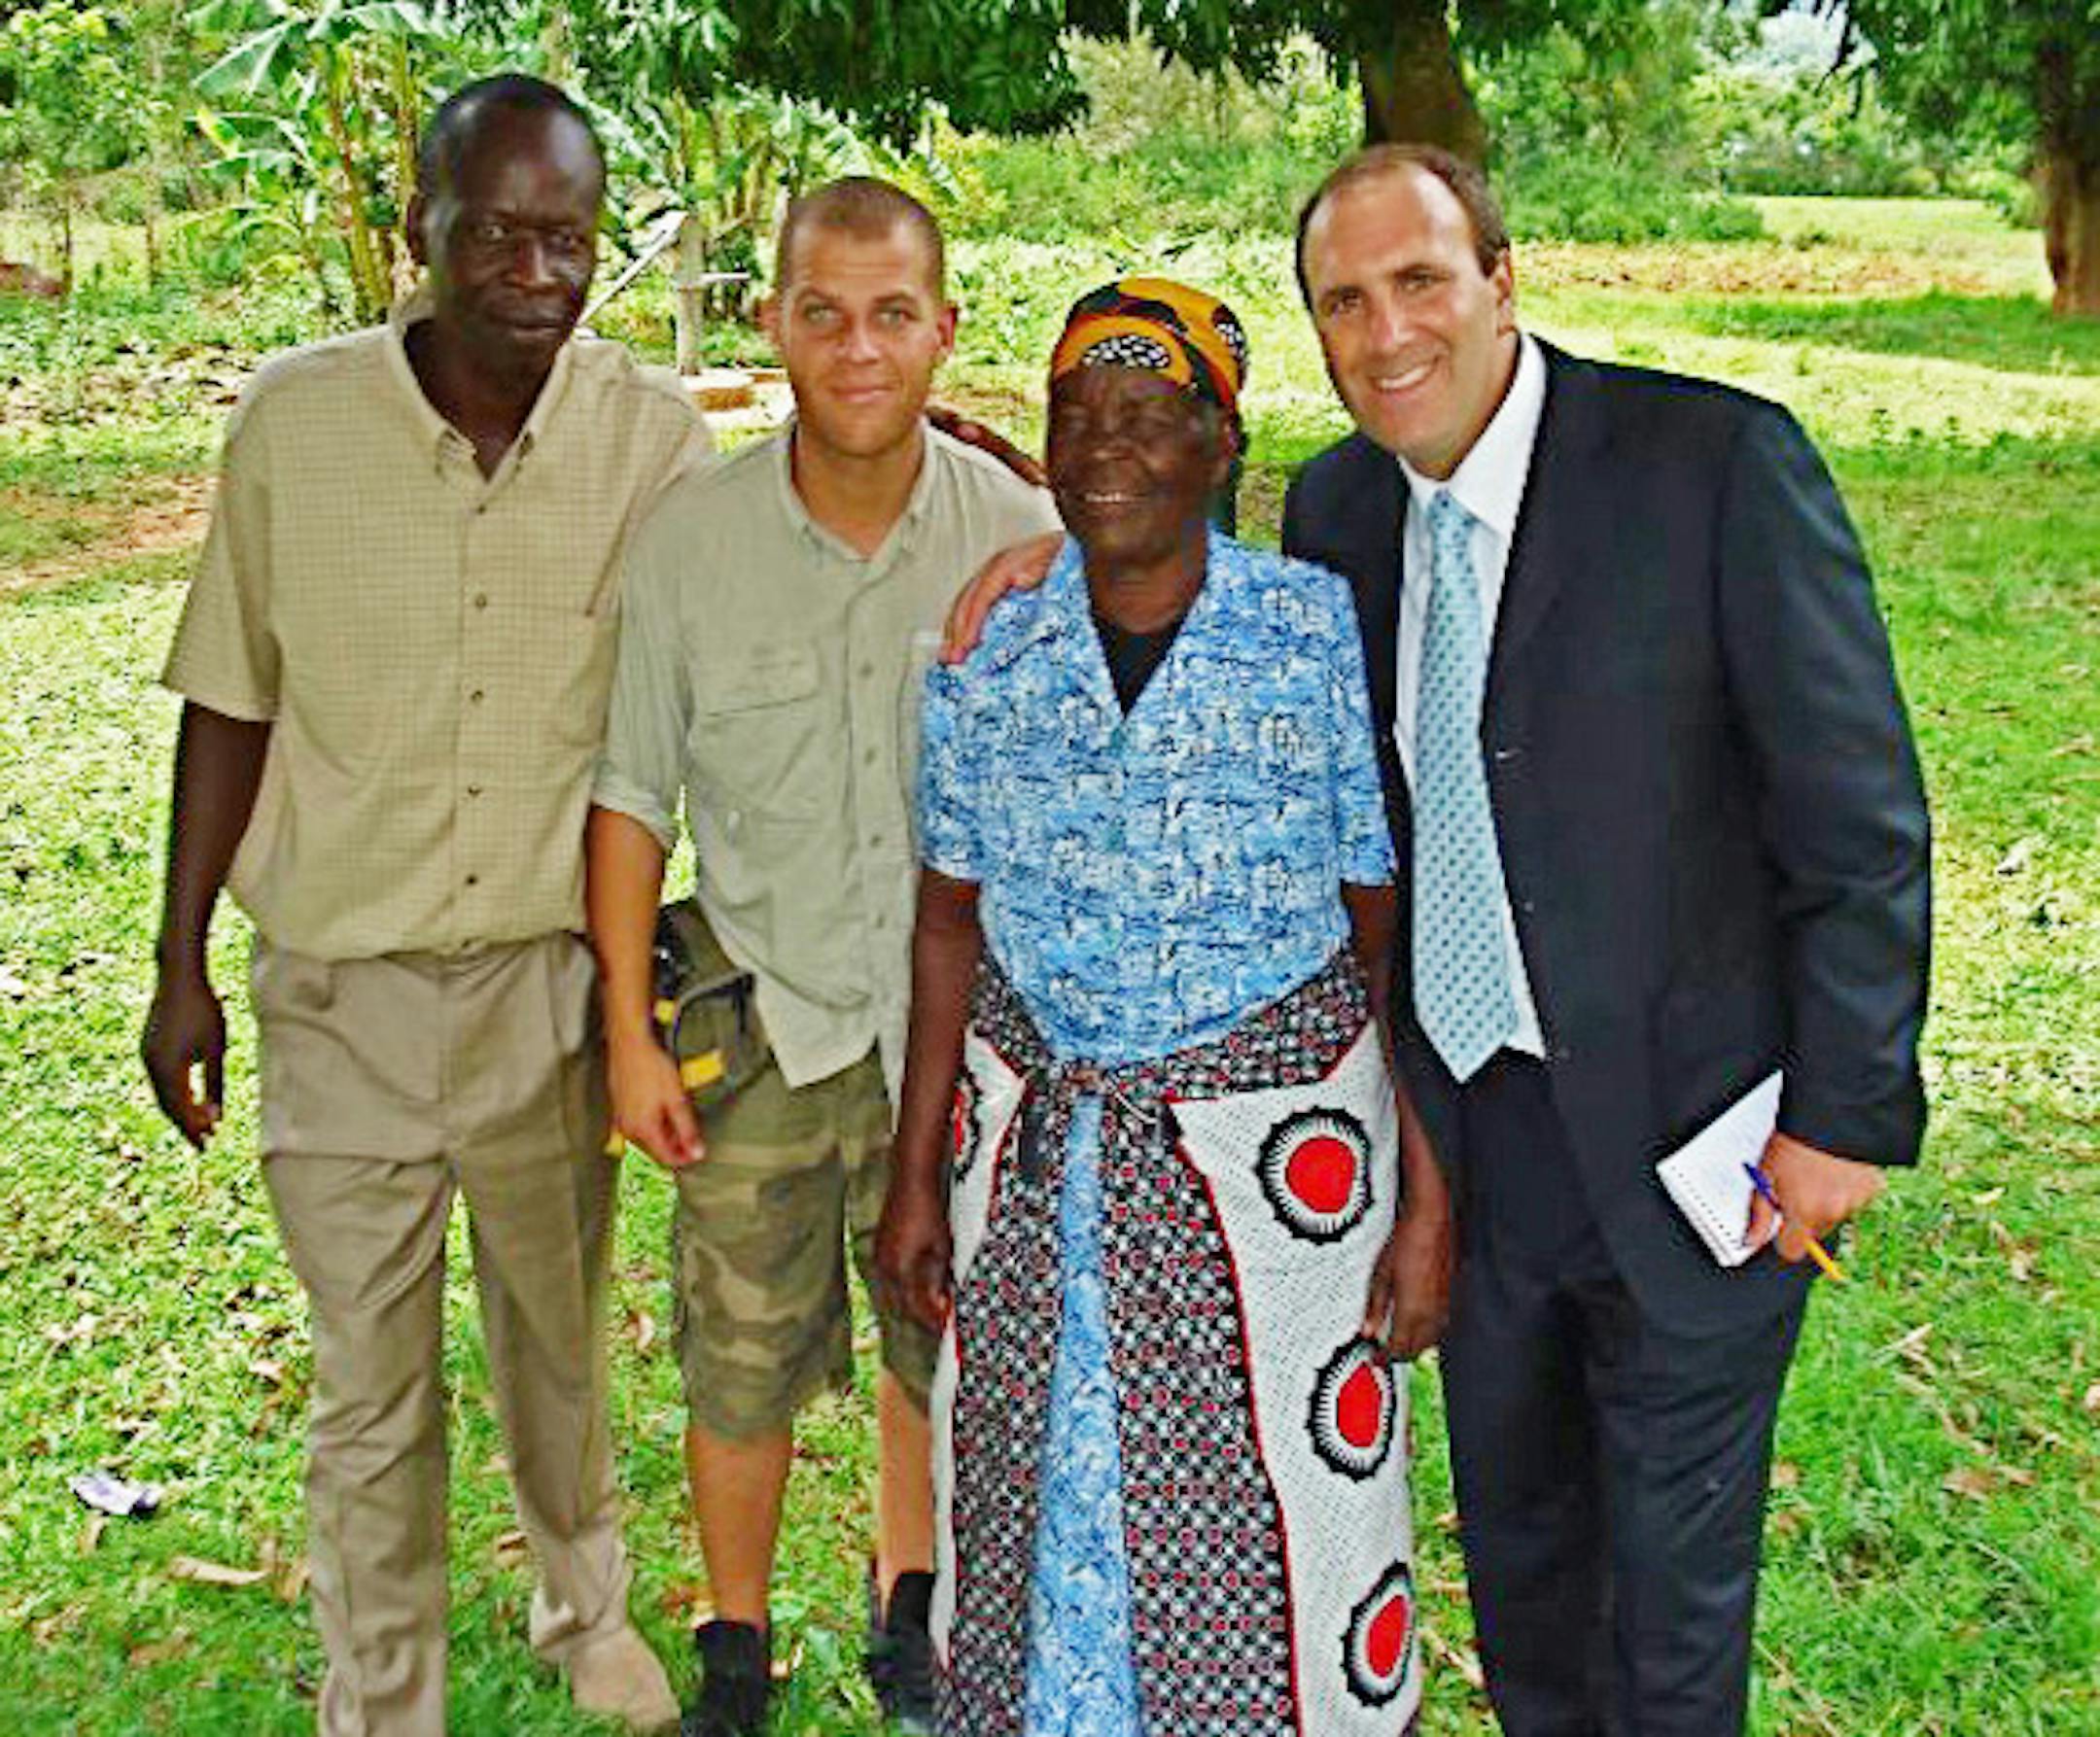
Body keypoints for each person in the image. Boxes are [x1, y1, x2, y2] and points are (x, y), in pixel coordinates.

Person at [1279, 147, 1931, 1733]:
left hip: (1696, 1137)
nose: (1386, 334)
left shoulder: (1711, 467)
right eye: (1342, 302)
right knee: (1526, 1575)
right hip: (1474, 1153)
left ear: (1504, 280)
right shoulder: (1339, 510)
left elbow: (1857, 815)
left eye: (1422, 281)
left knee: (1672, 1615)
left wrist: (1844, 1119)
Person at [140, 76, 709, 1735]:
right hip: (343, 992)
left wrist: (938, 456)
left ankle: (580, 1606)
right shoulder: (293, 425)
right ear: (424, 234)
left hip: (551, 982)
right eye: (498, 233)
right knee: (369, 1388)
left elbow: (752, 599)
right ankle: (381, 1691)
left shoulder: (651, 437)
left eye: (569, 238)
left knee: (555, 1338)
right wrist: (178, 965)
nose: (537, 271)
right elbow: (227, 700)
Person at [877, 277, 1453, 1736]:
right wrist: (911, 1180)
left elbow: (1382, 938)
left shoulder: (1314, 635)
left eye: (1151, 415)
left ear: (1218, 446)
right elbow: (947, 923)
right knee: (1038, 1505)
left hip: (1276, 1196)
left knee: (1284, 1523)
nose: (1108, 446)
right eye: (1078, 415)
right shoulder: (988, 658)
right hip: (1038, 1172)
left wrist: (1431, 1192)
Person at [583, 177, 1061, 1737]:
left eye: (893, 314)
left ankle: (910, 1607)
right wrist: (632, 1040)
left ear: (943, 327)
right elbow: (631, 795)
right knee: (740, 1359)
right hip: (766, 1017)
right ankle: (734, 1642)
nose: (859, 350)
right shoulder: (693, 546)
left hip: (954, 1037)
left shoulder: (1019, 535)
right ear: (776, 324)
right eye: (824, 313)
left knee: (943, 1333)